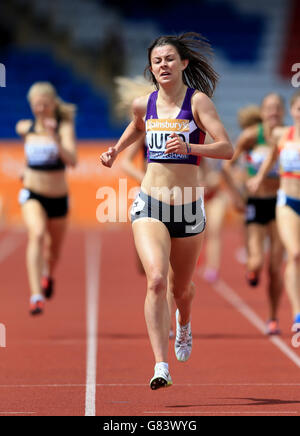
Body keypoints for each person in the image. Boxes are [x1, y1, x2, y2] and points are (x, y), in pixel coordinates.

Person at [101, 32, 233, 390]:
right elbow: (137, 126)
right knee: (156, 279)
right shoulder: (145, 104)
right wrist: (115, 150)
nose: (164, 65)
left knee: (181, 288)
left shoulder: (199, 102)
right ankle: (161, 365)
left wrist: (191, 146)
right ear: (151, 67)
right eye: (158, 61)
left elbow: (226, 148)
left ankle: (185, 323)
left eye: (170, 59)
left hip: (189, 206)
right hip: (150, 203)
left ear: (183, 64)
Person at [223, 94, 285, 335]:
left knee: (276, 267)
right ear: (262, 112)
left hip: (281, 206)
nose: (274, 112)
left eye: (278, 108)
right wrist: (236, 197)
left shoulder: (289, 136)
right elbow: (227, 166)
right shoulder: (251, 136)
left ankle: (272, 317)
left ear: (283, 112)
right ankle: (252, 268)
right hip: (256, 205)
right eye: (269, 108)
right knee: (257, 261)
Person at [16, 82, 77, 316]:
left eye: (44, 104)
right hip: (33, 193)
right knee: (37, 233)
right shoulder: (25, 128)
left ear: (53, 104)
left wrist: (54, 137)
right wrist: (25, 169)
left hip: (58, 197)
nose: (40, 108)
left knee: (53, 252)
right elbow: (29, 154)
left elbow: (72, 160)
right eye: (36, 104)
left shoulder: (63, 127)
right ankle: (35, 296)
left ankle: (47, 275)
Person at [248, 90, 300, 330]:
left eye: (276, 107)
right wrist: (256, 178)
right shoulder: (274, 135)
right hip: (275, 202)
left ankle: (278, 315)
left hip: (286, 201)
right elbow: (269, 157)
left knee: (282, 262)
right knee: (278, 257)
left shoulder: (283, 133)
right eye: (299, 108)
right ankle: (297, 313)